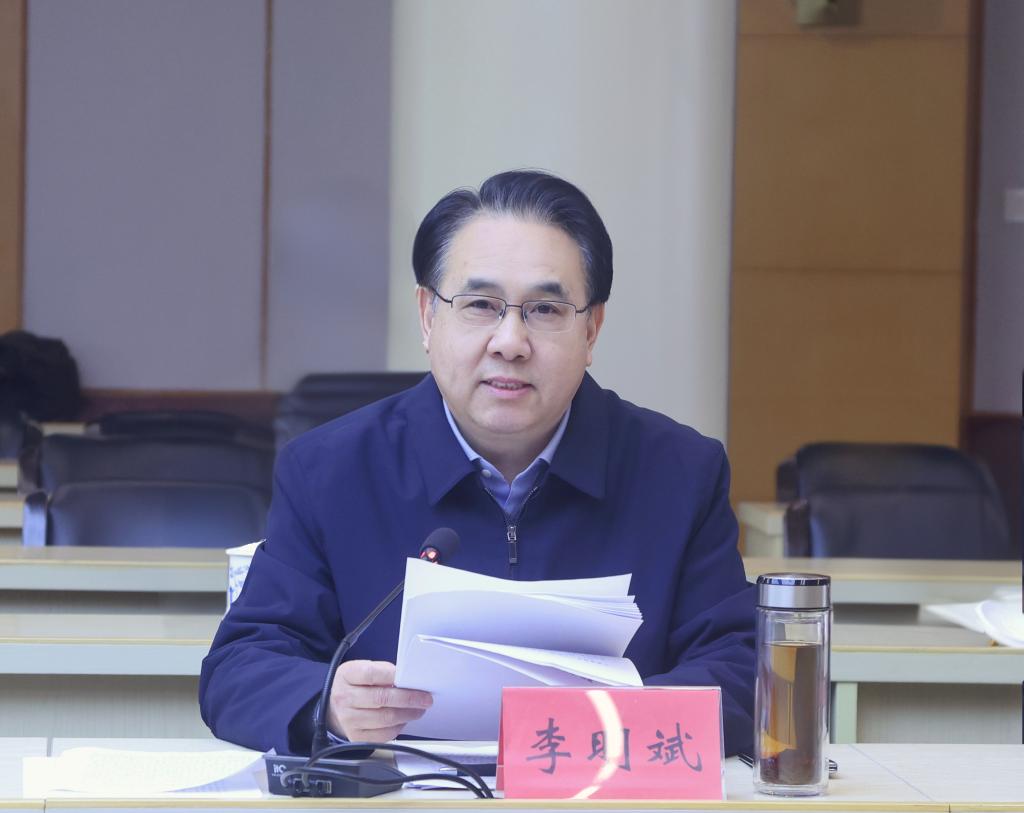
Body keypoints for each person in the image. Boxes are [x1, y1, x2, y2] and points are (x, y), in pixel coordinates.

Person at [199, 169, 756, 756]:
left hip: (602, 785)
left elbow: (743, 670)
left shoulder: (679, 474)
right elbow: (240, 668)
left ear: (591, 330)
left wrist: (607, 724)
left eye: (546, 309)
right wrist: (327, 704)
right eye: (481, 305)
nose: (510, 342)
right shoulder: (329, 472)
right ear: (427, 316)